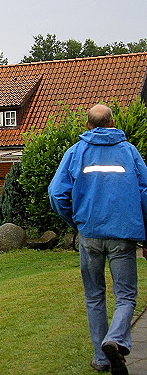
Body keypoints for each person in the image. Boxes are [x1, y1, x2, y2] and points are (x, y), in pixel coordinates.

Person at [48, 104, 147, 375]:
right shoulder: (129, 152)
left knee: (94, 296)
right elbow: (145, 192)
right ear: (113, 123)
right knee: (126, 295)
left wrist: (76, 221)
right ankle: (115, 339)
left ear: (88, 125)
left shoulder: (76, 152)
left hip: (90, 233)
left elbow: (57, 194)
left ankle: (101, 358)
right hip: (123, 234)